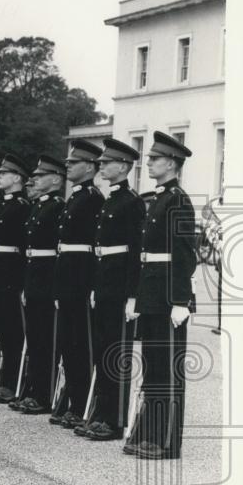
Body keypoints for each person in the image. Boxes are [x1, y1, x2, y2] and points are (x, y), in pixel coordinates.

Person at [125, 131, 197, 460]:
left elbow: (184, 255)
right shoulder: (158, 199)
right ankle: (148, 433)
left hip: (169, 295)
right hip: (153, 292)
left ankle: (166, 441)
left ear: (171, 163)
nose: (149, 162)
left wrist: (181, 301)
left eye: (154, 158)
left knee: (167, 370)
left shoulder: (178, 200)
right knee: (154, 367)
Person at [80, 138, 145, 441]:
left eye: (107, 162)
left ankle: (115, 420)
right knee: (103, 347)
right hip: (105, 282)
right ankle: (101, 413)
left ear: (124, 166)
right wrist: (94, 285)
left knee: (115, 351)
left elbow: (135, 253)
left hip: (119, 286)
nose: (102, 166)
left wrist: (133, 295)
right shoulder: (111, 198)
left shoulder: (132, 202)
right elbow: (100, 250)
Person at [51, 139, 104, 429]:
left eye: (74, 162)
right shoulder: (76, 196)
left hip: (81, 277)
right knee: (69, 343)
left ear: (90, 167)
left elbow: (93, 245)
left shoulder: (93, 198)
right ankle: (71, 397)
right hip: (68, 276)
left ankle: (81, 401)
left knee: (80, 344)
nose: (68, 166)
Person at [12, 156, 65, 415]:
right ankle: (32, 389)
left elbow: (57, 249)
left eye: (41, 176)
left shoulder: (57, 206)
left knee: (46, 339)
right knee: (34, 337)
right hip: (33, 275)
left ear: (55, 179)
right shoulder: (38, 206)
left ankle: (44, 394)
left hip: (47, 276)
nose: (35, 180)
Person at [0, 154, 31, 404]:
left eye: (4, 173)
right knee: (1, 327)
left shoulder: (23, 206)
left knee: (12, 332)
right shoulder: (4, 204)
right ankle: (1, 380)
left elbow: (24, 247)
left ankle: (11, 382)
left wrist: (21, 281)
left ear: (17, 178)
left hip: (11, 273)